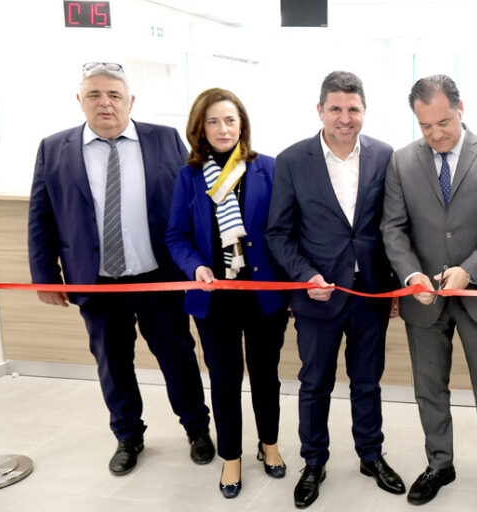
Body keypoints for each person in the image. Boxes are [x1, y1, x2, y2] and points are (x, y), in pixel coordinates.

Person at [27, 62, 214, 476]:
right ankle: (128, 435)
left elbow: (192, 205)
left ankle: (196, 428)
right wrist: (45, 277)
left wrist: (198, 264)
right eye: (94, 95)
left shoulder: (164, 139)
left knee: (177, 356)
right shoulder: (54, 148)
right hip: (97, 282)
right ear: (80, 100)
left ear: (131, 101)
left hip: (159, 277)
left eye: (114, 95)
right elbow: (41, 218)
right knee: (112, 362)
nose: (105, 103)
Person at [381, 74, 477, 510]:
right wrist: (411, 276)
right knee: (429, 387)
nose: (436, 134)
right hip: (423, 298)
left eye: (443, 122)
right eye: (425, 126)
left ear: (461, 109)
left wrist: (469, 271)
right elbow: (393, 228)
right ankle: (439, 464)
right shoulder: (402, 161)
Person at [266, 71, 404, 509]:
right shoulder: (292, 160)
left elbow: (392, 227)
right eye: (336, 109)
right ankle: (313, 462)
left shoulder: (385, 156)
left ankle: (371, 455)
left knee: (367, 382)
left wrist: (395, 285)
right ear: (320, 110)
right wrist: (304, 274)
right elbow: (278, 233)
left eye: (353, 109)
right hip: (317, 295)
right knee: (315, 383)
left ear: (364, 111)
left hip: (369, 294)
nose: (345, 118)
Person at [165, 88, 289, 498]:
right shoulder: (188, 177)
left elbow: (285, 230)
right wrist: (194, 266)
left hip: (263, 296)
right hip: (214, 298)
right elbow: (176, 236)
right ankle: (231, 456)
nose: (223, 128)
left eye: (230, 120)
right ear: (200, 128)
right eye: (213, 121)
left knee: (266, 375)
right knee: (224, 379)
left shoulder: (268, 168)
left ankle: (269, 444)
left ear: (242, 125)